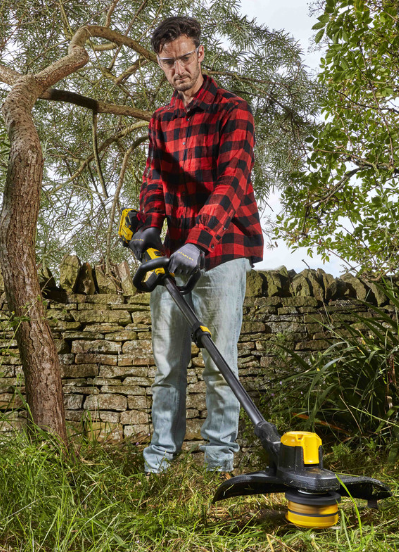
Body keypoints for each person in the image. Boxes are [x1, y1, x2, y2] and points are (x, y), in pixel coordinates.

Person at [131, 16, 264, 475]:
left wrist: (199, 241)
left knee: (219, 365)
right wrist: (147, 231)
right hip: (174, 257)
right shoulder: (160, 120)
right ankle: (158, 463)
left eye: (185, 58)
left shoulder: (232, 109)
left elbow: (232, 182)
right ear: (160, 64)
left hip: (223, 249)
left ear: (200, 54)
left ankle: (219, 465)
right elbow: (154, 182)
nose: (178, 69)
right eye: (168, 63)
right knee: (167, 367)